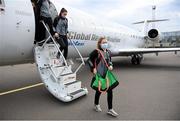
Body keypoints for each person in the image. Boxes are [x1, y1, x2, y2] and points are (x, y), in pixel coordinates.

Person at [88, 37, 119, 117]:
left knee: (110, 91)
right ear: (99, 44)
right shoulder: (96, 52)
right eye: (103, 42)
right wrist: (93, 68)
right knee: (99, 91)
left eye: (106, 42)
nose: (105, 44)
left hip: (106, 75)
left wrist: (111, 65)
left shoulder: (108, 52)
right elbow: (89, 60)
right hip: (99, 75)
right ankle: (96, 105)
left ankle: (110, 109)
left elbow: (110, 61)